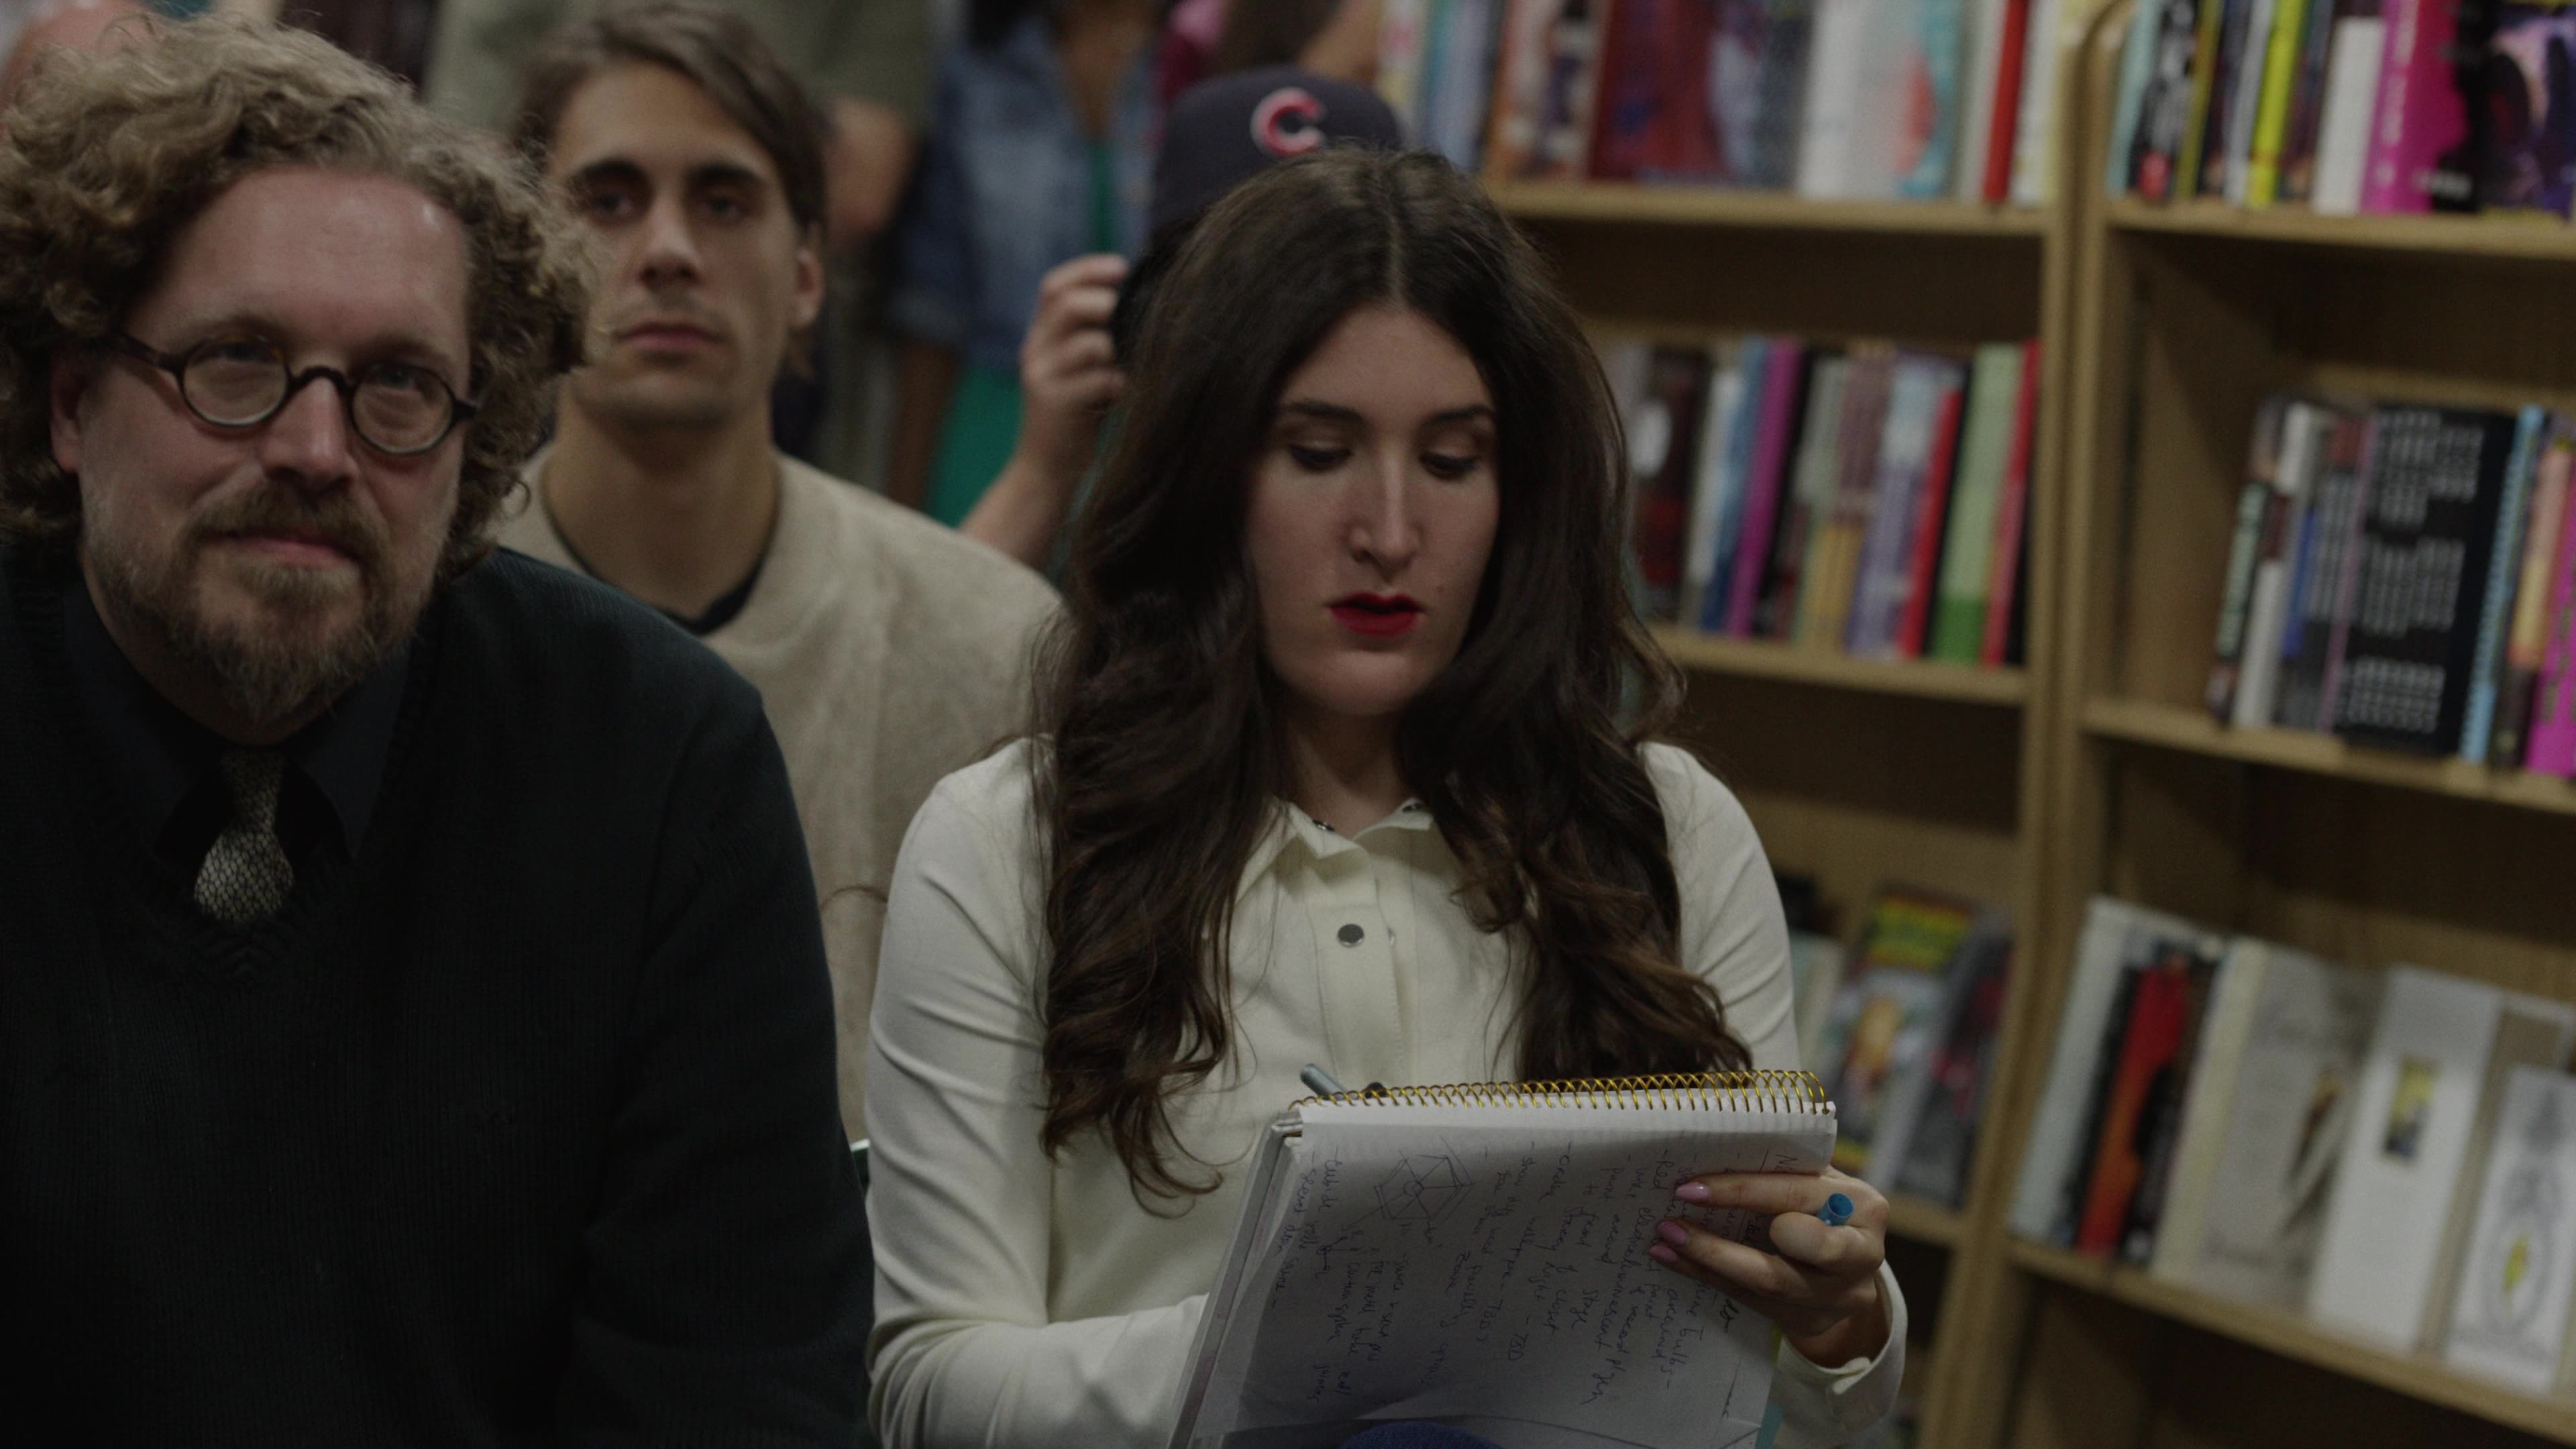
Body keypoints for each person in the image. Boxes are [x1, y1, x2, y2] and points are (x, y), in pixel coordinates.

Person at [864, 148, 1904, 1447]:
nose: (1391, 531)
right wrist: (1316, 1329)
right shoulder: (1007, 843)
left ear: (1518, 493)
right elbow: (929, 1392)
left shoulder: (1671, 831)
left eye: (1454, 461)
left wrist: (1839, 1320)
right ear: (1211, 474)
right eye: (1319, 453)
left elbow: (1786, 1404)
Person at [0, 16, 867, 1437]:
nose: (317, 449)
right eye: (236, 360)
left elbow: (737, 1389)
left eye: (399, 385)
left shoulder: (661, 770)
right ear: (71, 401)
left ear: (480, 436)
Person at [497, 1, 1057, 1140]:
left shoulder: (994, 645)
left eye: (723, 201)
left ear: (807, 271)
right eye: (609, 201)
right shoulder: (418, 619)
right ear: (529, 264)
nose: (667, 250)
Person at [960, 64, 1408, 569]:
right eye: (1233, 289)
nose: (1278, 331)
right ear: (1149, 319)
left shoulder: (1400, 506)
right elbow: (954, 617)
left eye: (1322, 285)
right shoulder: (1135, 487)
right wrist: (1044, 472)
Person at [882, 0, 1162, 526]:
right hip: (994, 427)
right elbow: (934, 315)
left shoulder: (1212, 58)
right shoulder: (978, 73)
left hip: (1157, 434)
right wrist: (902, 515)